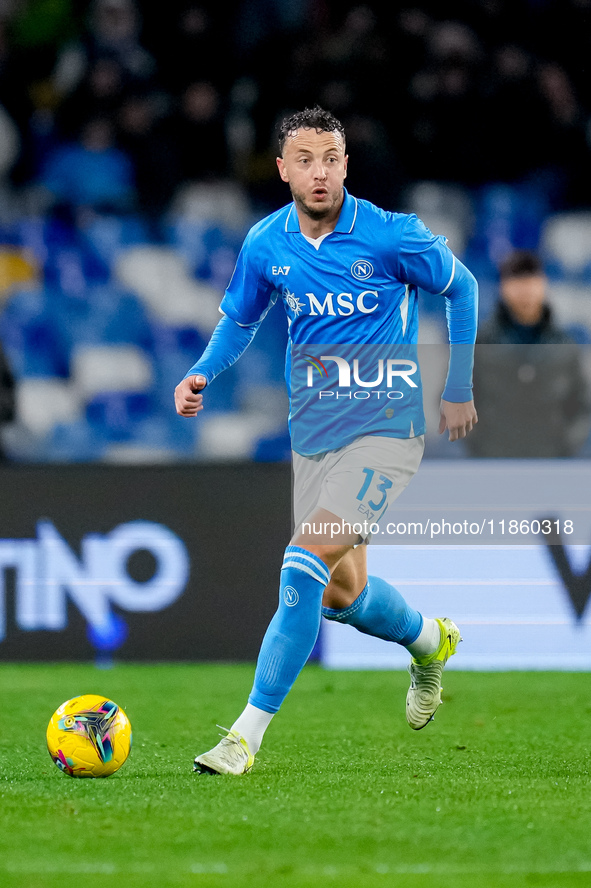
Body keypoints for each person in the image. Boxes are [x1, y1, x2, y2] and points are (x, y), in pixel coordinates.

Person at [175, 106, 478, 775]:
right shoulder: (265, 244)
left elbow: (463, 289)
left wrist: (456, 385)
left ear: (346, 165)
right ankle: (429, 640)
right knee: (340, 595)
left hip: (385, 431)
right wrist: (201, 371)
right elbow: (238, 321)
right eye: (305, 160)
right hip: (313, 435)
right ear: (282, 169)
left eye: (331, 159)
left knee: (300, 564)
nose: (319, 173)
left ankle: (243, 738)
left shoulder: (392, 236)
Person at [466, 250, 591, 457]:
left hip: (551, 463)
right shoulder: (478, 345)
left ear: (543, 285)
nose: (525, 290)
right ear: (503, 287)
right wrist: (480, 445)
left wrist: (567, 444)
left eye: (531, 281)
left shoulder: (565, 346)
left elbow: (582, 405)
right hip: (492, 462)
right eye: (516, 281)